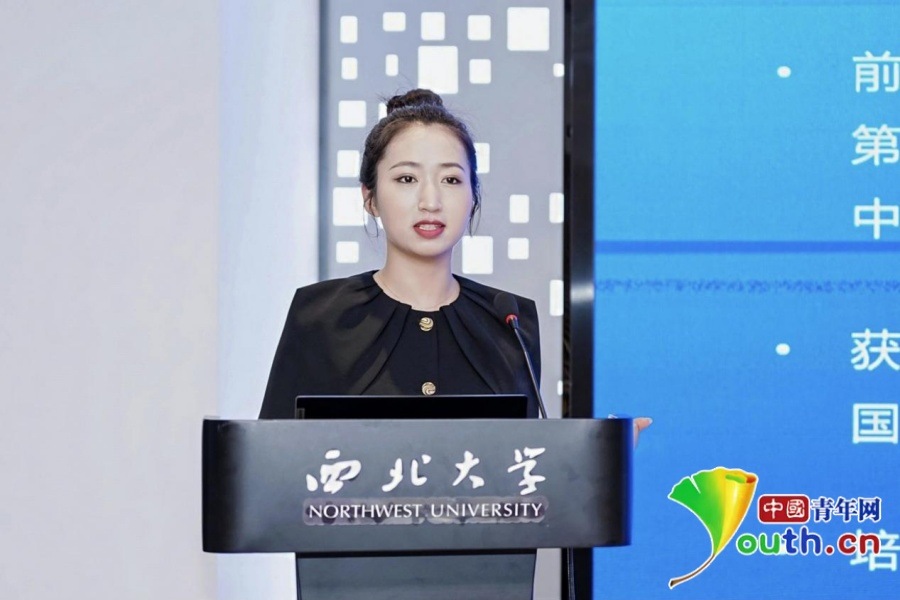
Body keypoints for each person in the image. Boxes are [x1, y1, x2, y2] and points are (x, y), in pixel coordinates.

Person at [259, 88, 544, 419]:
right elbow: (274, 447)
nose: (430, 201)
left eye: (451, 179)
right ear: (370, 198)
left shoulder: (509, 323)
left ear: (473, 196)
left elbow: (524, 448)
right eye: (407, 178)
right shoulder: (320, 315)